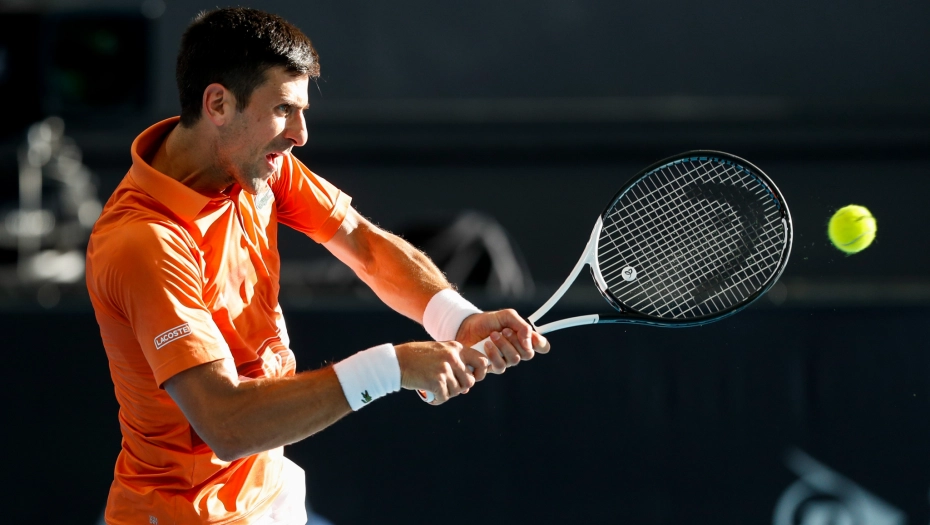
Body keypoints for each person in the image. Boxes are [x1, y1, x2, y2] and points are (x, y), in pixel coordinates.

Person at [85, 7, 549, 525]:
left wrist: (457, 319)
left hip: (268, 494)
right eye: (284, 109)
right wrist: (391, 367)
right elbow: (226, 424)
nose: (301, 134)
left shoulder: (252, 161)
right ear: (217, 104)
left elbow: (363, 244)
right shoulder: (145, 242)